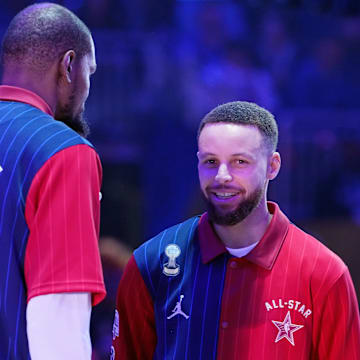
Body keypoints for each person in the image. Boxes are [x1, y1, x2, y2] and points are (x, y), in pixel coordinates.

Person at [112, 101, 360, 359]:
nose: (222, 176)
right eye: (210, 161)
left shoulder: (324, 274)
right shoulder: (150, 264)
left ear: (272, 166)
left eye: (239, 162)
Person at [0, 3, 106, 359]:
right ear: (69, 66)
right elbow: (57, 321)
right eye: (89, 72)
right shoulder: (64, 153)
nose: (88, 88)